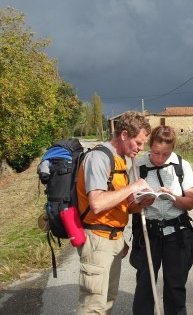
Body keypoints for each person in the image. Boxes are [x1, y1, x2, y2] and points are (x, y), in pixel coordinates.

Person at [75, 111, 152, 315]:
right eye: (138, 142)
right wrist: (132, 187)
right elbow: (98, 203)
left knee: (107, 301)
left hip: (113, 239)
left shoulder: (121, 160)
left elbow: (120, 204)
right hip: (97, 240)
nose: (141, 149)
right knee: (93, 307)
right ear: (124, 134)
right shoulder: (99, 158)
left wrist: (142, 202)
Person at [129, 125, 193, 315]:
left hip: (177, 233)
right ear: (150, 146)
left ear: (173, 149)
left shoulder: (181, 166)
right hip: (147, 233)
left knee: (175, 286)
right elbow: (128, 207)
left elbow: (190, 202)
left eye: (165, 154)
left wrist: (174, 198)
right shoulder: (137, 167)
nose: (159, 159)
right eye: (156, 153)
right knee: (145, 284)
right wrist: (142, 202)